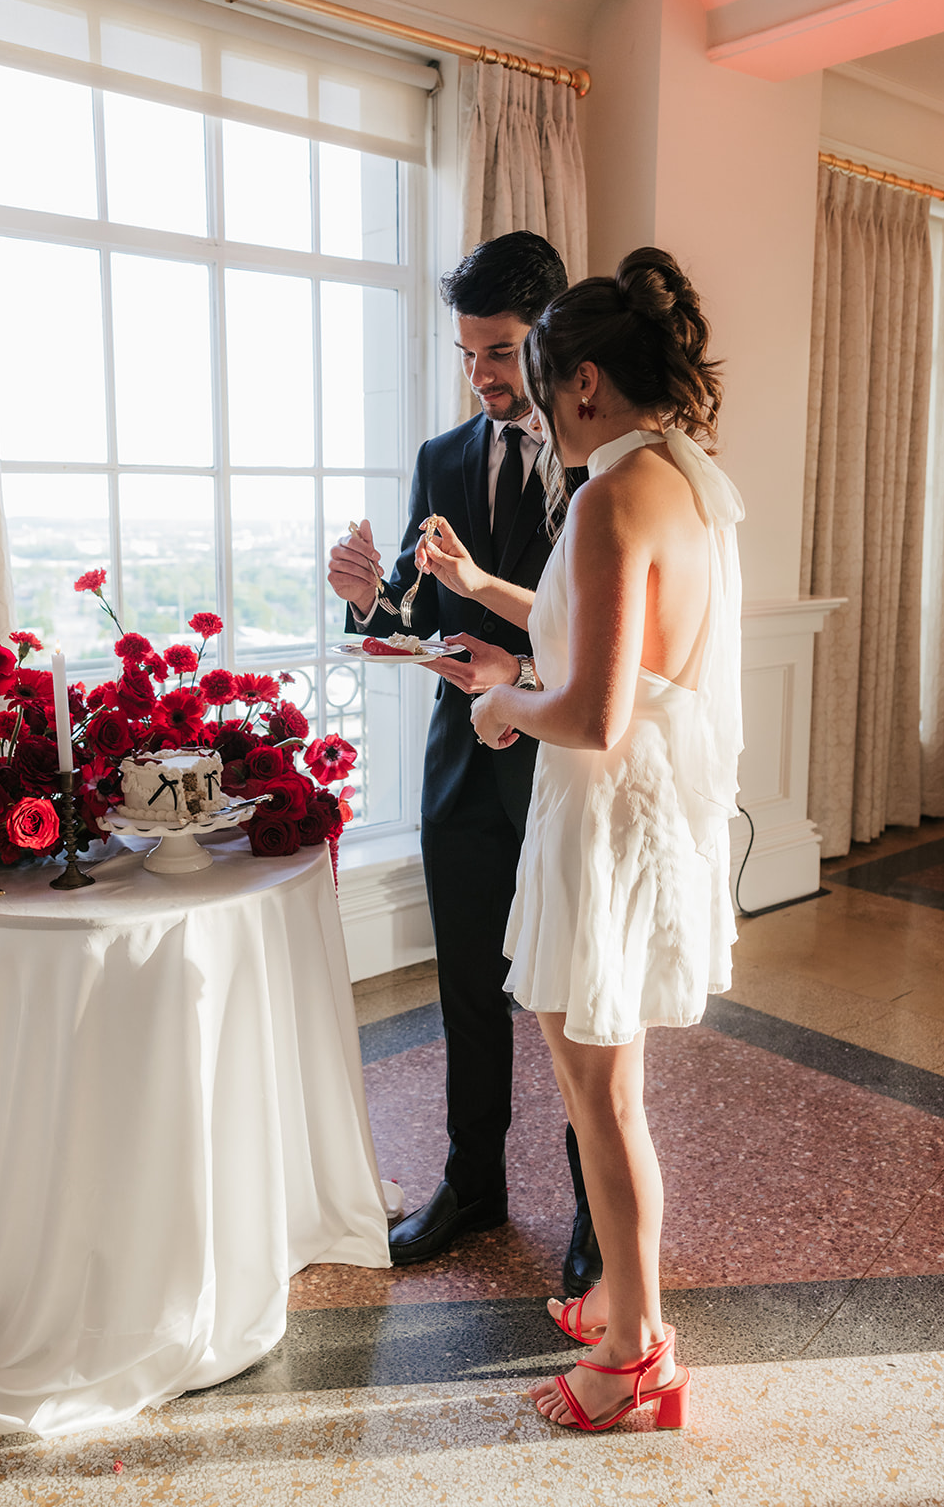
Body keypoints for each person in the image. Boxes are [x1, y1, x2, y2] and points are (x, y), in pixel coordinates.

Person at [420, 248, 743, 1431]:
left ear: (587, 380)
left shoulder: (607, 494)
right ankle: (619, 1295)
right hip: (641, 810)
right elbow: (607, 635)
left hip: (598, 821)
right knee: (616, 1089)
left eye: (545, 383)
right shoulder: (680, 480)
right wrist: (481, 590)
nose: (540, 410)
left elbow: (591, 711)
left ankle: (635, 1355)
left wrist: (502, 704)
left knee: (600, 1098)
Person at [327, 232, 599, 1289]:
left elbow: (603, 636)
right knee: (467, 996)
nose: (482, 374)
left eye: (499, 351)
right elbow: (414, 612)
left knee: (573, 999)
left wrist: (513, 662)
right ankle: (471, 1183)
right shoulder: (441, 457)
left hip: (563, 767)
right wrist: (367, 601)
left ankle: (591, 1211)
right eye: (467, 354)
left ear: (548, 340)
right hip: (461, 778)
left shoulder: (595, 464)